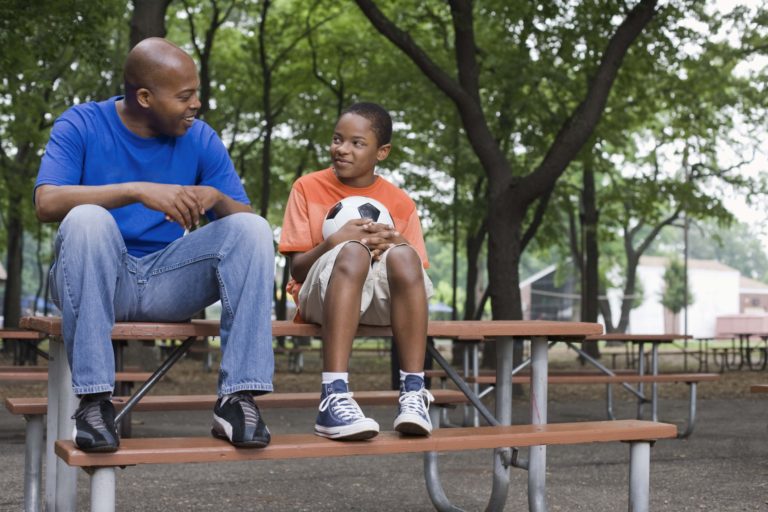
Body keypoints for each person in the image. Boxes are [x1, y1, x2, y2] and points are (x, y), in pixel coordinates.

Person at [34, 38, 274, 452]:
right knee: (87, 218)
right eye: (185, 96)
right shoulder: (81, 123)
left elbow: (243, 230)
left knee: (252, 229)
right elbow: (46, 202)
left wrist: (216, 197)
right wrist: (136, 190)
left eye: (196, 92)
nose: (196, 104)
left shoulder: (200, 138)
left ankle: (237, 399)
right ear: (145, 97)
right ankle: (93, 402)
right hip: (95, 279)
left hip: (166, 279)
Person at [278, 102, 434, 440]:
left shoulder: (400, 202)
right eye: (337, 139)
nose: (342, 149)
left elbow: (414, 276)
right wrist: (334, 241)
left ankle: (413, 391)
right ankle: (333, 395)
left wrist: (395, 242)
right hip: (322, 299)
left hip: (383, 305)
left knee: (406, 256)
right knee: (352, 252)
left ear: (382, 152)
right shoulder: (307, 188)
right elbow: (298, 269)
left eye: (356, 143)